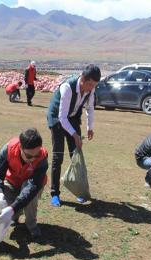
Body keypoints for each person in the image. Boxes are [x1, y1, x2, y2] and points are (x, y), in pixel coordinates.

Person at [46, 64, 101, 207]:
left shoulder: (91, 88)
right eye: (90, 84)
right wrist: (75, 135)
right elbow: (62, 117)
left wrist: (90, 127)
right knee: (58, 156)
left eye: (94, 85)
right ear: (83, 79)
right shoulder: (67, 88)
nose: (91, 88)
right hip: (57, 119)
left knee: (76, 155)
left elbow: (90, 108)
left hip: (73, 118)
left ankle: (79, 191)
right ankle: (55, 193)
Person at [0, 128, 48, 238]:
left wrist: (12, 208)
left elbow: (33, 186)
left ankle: (31, 225)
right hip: (11, 182)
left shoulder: (42, 157)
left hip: (31, 185)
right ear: (20, 147)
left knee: (29, 194)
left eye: (36, 155)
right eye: (29, 156)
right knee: (9, 210)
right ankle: (15, 216)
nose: (33, 159)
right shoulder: (8, 149)